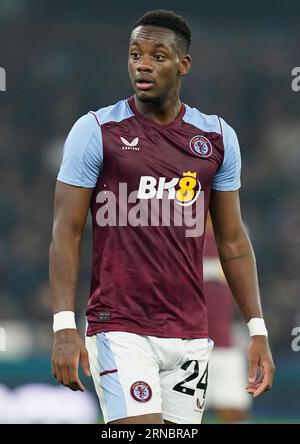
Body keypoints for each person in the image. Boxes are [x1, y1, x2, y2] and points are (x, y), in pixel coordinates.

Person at [49, 9, 275, 425]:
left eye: (157, 55)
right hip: (119, 325)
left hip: (190, 334)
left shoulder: (217, 138)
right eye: (135, 54)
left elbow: (233, 242)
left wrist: (257, 329)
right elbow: (67, 229)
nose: (143, 64)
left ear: (183, 64)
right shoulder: (97, 130)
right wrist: (64, 324)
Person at [203, 215, 252, 423]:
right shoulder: (179, 233)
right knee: (184, 415)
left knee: (234, 411)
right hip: (187, 341)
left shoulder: (236, 232)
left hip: (225, 340)